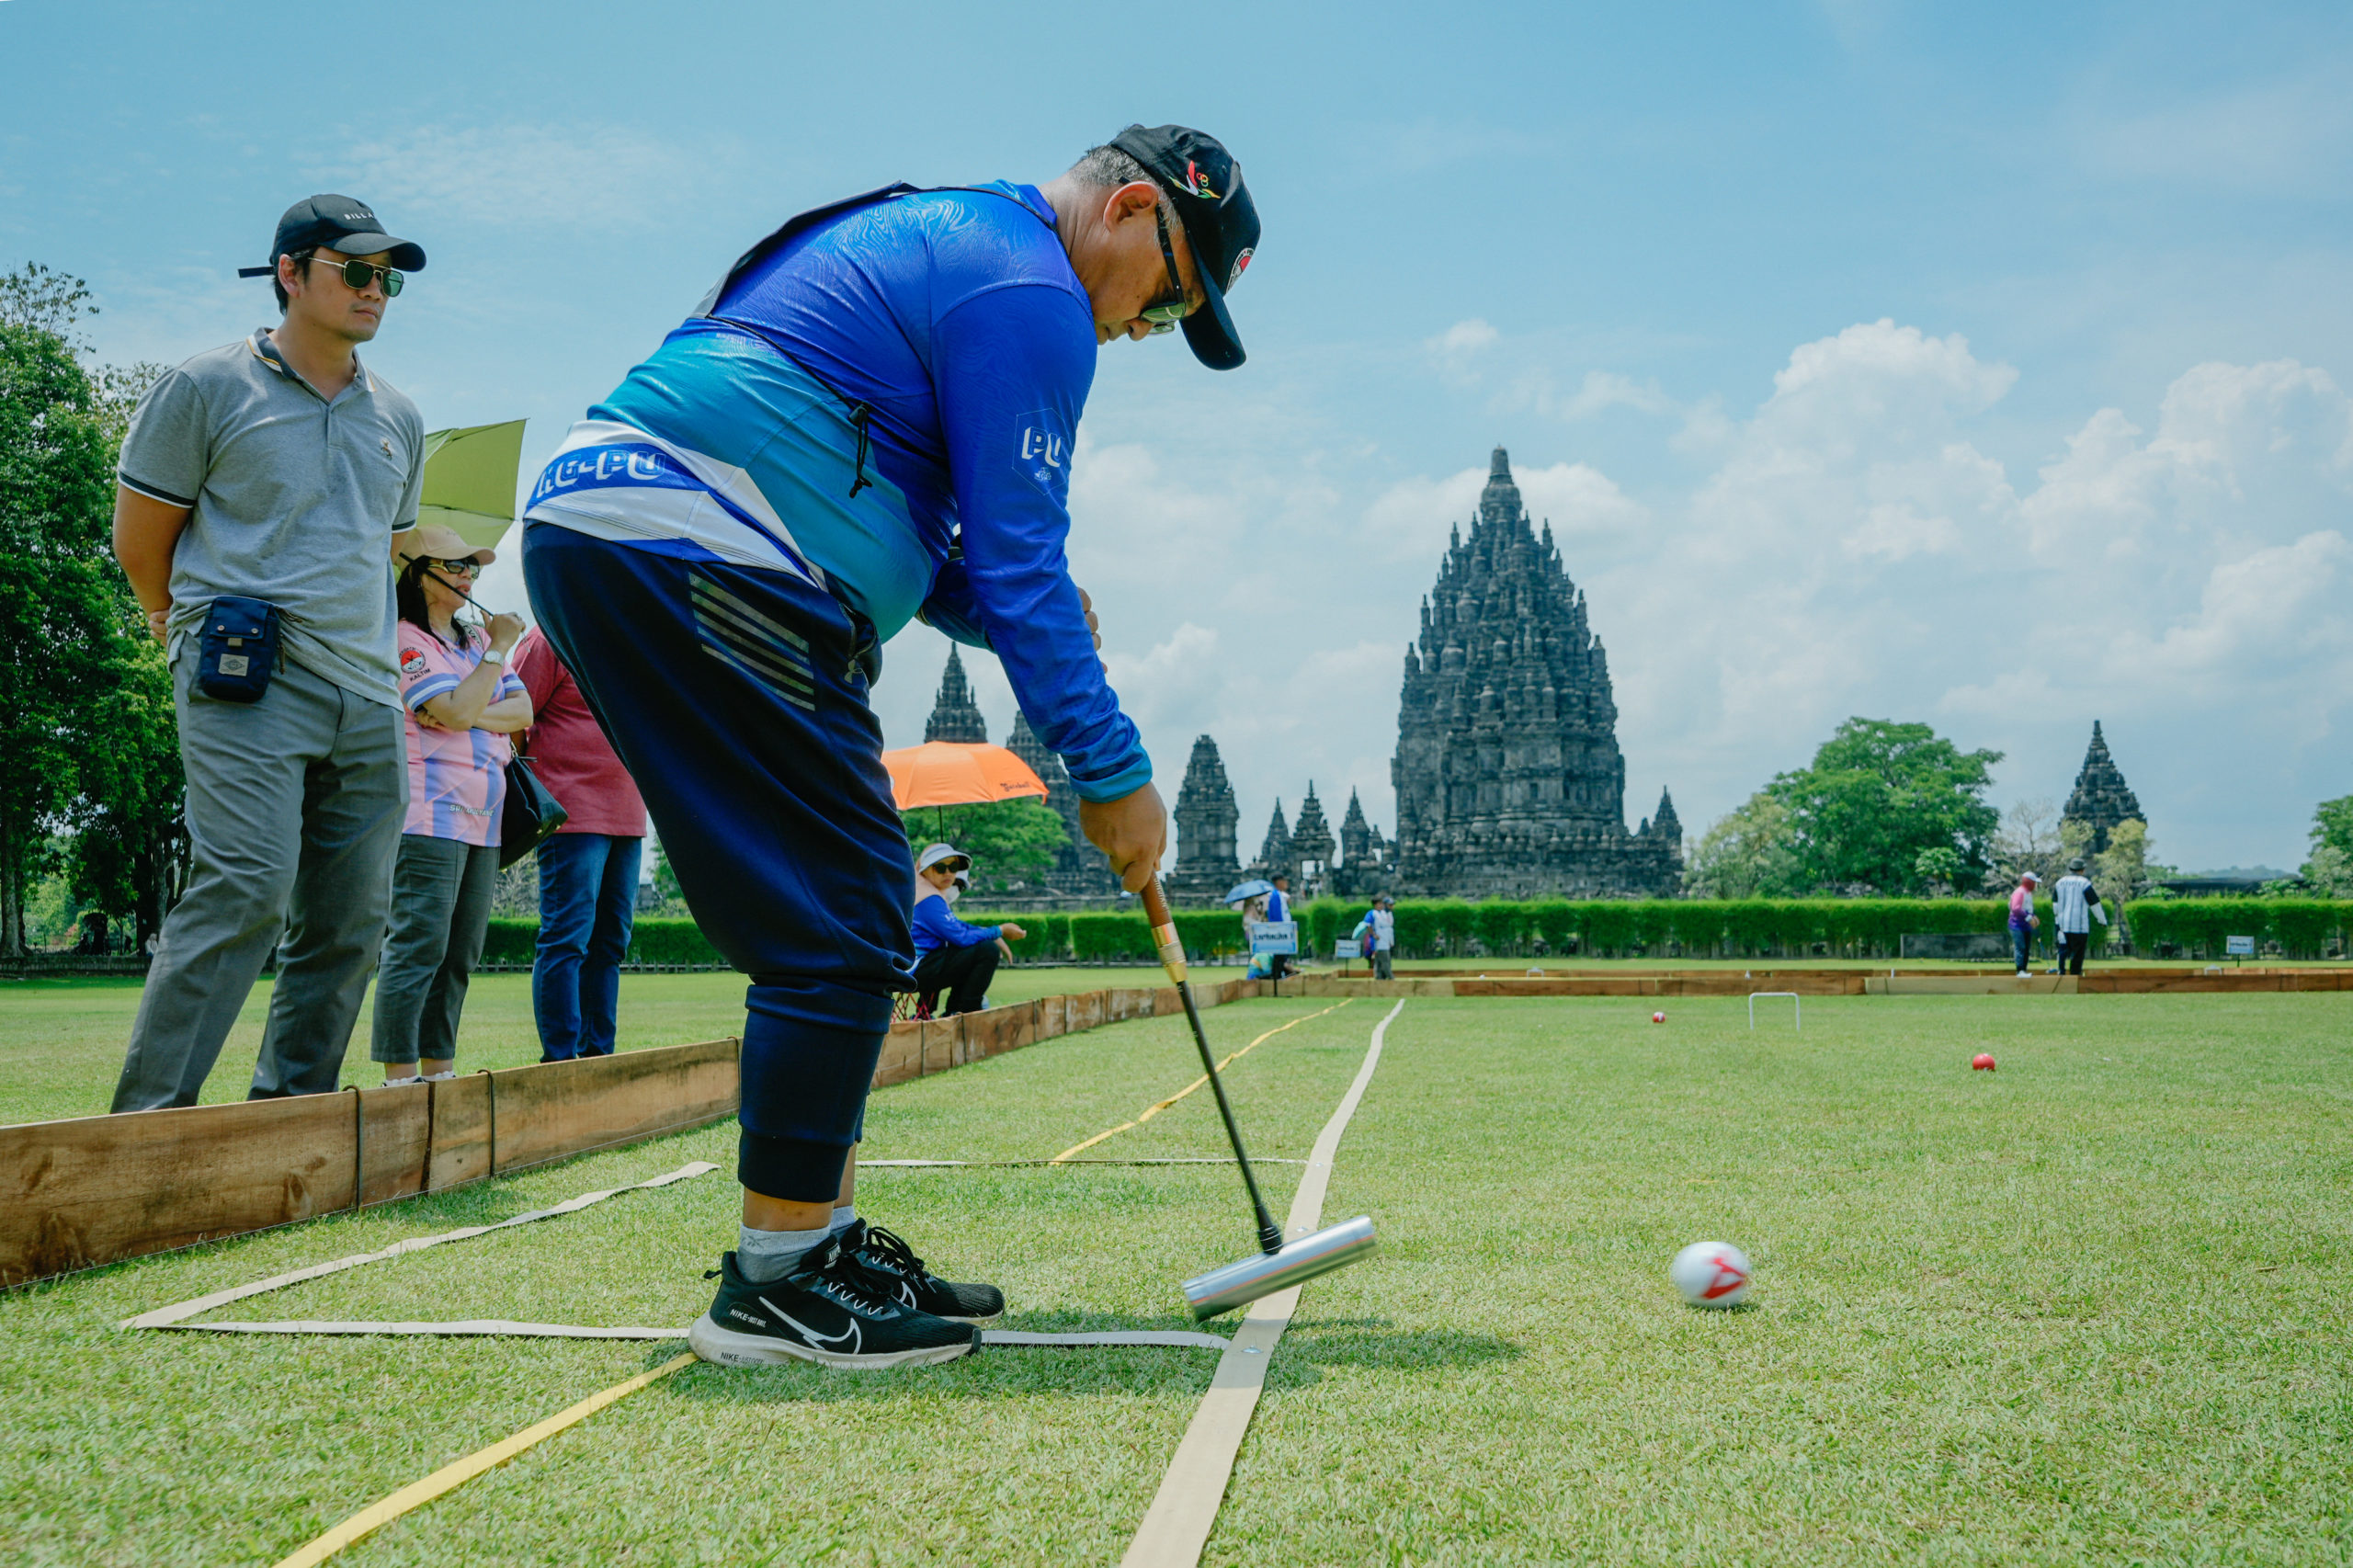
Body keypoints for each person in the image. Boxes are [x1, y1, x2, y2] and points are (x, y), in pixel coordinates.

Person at [518, 126, 1257, 1369]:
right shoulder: (1034, 289)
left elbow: (928, 537)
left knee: (853, 899)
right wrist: (1114, 773)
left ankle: (817, 1235)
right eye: (1171, 295)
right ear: (1132, 205)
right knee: (847, 911)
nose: (1147, 327)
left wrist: (1000, 601)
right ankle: (777, 1282)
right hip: (699, 538)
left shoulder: (969, 239)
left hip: (655, 527)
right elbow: (1019, 565)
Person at [108, 196, 427, 1112]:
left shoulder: (399, 416)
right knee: (247, 885)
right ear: (290, 272)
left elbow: (382, 545)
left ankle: (291, 1121)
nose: (374, 290)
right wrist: (171, 620)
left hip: (368, 690)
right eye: (355, 270)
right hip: (248, 671)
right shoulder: (205, 387)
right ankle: (144, 1132)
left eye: (387, 278)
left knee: (354, 918)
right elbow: (141, 537)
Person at [371, 527, 530, 1081]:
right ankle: (398, 1080)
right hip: (429, 815)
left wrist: (464, 711)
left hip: (486, 817)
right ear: (420, 574)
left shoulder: (472, 641)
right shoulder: (405, 638)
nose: (468, 576)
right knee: (419, 946)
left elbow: (522, 713)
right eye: (456, 565)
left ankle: (440, 1072)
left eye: (472, 567)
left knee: (461, 954)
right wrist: (498, 651)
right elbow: (458, 710)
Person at [514, 629, 650, 1062]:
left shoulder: (628, 639)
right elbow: (513, 715)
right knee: (567, 937)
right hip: (571, 812)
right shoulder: (549, 636)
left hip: (628, 813)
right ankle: (559, 1061)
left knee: (610, 943)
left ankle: (598, 1058)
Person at [910, 844, 1026, 1015]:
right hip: (916, 969)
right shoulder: (928, 899)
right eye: (940, 868)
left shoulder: (925, 893)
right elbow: (961, 937)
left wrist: (992, 932)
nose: (948, 873)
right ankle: (965, 1010)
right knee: (986, 950)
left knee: (971, 950)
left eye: (953, 867)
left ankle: (953, 1011)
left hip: (920, 965)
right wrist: (999, 931)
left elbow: (958, 927)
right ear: (924, 871)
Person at [2052, 858, 2106, 976]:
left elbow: (2055, 904)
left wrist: (2057, 921)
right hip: (2079, 926)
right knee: (2077, 954)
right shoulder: (2085, 883)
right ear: (2082, 870)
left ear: (2070, 869)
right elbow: (2094, 904)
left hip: (2062, 925)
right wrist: (2102, 920)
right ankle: (2075, 976)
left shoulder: (2059, 883)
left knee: (2062, 950)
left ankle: (2061, 973)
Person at [2008, 870, 2041, 978]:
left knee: (2026, 948)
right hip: (2017, 925)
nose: (2035, 885)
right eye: (2034, 882)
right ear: (2029, 882)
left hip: (2025, 926)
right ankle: (2020, 971)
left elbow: (2027, 909)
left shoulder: (2028, 893)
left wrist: (2034, 917)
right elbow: (2015, 908)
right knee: (2020, 947)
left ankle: (2024, 970)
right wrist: (2029, 918)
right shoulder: (2020, 892)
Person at [1264, 872, 1296, 979]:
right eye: (1284, 881)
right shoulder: (1275, 896)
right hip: (1281, 930)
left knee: (1282, 957)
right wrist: (1281, 929)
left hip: (1284, 929)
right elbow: (1277, 915)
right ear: (1279, 882)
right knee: (1279, 957)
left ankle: (1278, 977)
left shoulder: (1280, 895)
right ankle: (1276, 978)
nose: (1286, 883)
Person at [1360, 893, 1397, 981]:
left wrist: (1390, 941)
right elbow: (1368, 925)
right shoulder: (1372, 913)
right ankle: (1390, 977)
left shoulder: (1384, 913)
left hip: (1385, 941)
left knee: (1379, 962)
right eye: (1379, 904)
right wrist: (1373, 934)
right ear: (1375, 905)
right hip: (1378, 942)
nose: (1381, 905)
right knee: (1385, 960)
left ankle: (1379, 978)